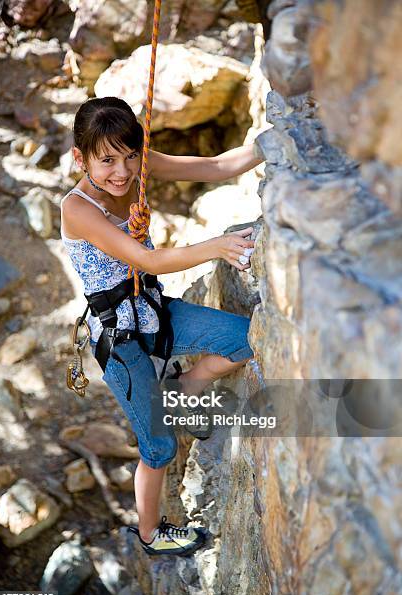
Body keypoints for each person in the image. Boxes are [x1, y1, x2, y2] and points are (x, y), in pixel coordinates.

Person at [60, 96, 263, 556]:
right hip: (119, 338)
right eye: (107, 160)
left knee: (243, 339)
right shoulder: (78, 209)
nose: (122, 171)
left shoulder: (138, 168)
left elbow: (215, 166)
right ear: (81, 158)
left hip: (153, 310)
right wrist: (217, 246)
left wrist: (267, 145)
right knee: (159, 449)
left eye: (131, 156)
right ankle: (151, 535)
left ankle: (181, 388)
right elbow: (148, 259)